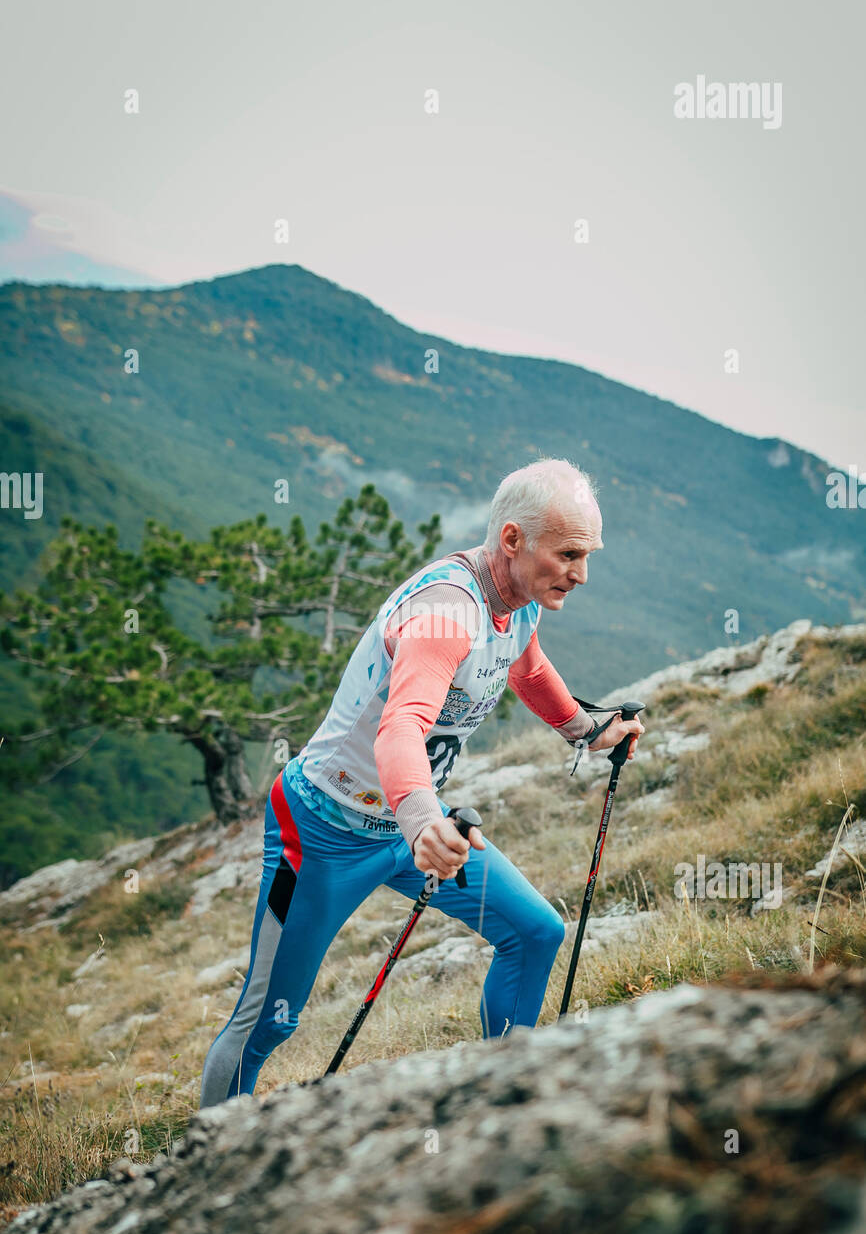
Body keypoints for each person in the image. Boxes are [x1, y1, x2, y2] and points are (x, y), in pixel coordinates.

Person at [199, 458, 644, 1106]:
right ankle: (206, 1169)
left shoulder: (517, 601)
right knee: (268, 1018)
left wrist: (587, 731)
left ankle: (503, 1104)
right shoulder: (446, 610)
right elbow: (401, 726)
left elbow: (526, 668)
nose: (581, 573)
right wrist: (422, 823)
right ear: (514, 540)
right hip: (321, 830)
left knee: (535, 933)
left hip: (411, 827)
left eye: (588, 554)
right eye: (569, 553)